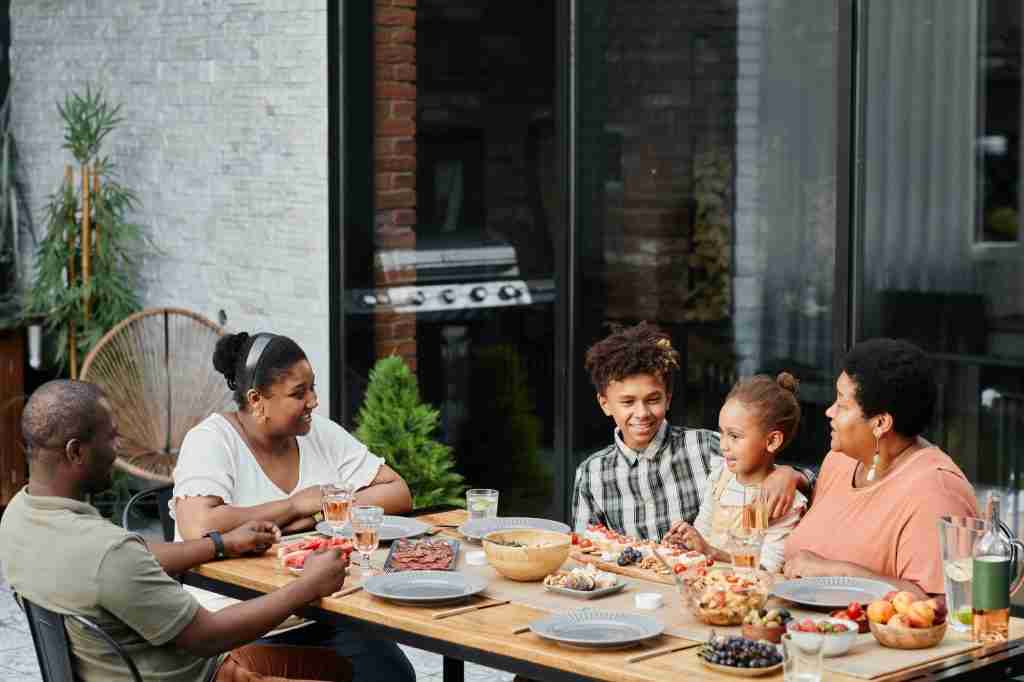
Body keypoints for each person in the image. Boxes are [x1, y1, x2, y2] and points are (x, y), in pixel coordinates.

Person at [0, 380, 354, 682]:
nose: (118, 448)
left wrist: (220, 544)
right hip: (200, 672)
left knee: (342, 666)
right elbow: (208, 636)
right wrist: (308, 585)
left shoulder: (19, 517)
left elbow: (131, 555)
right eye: (111, 438)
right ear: (76, 452)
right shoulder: (108, 556)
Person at [172, 331, 415, 682]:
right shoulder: (211, 441)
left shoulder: (318, 433)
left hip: (324, 610)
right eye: (299, 393)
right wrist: (293, 506)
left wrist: (317, 515)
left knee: (392, 673)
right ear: (257, 400)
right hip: (241, 624)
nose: (314, 401)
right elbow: (199, 525)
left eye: (312, 388)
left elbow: (396, 491)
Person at [571, 322, 815, 541]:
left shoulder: (706, 447)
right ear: (605, 404)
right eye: (627, 402)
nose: (642, 412)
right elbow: (584, 550)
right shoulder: (592, 474)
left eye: (653, 399)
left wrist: (791, 475)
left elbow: (771, 467)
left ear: (668, 398)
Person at [783, 338, 978, 597]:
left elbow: (942, 606)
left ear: (881, 423)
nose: (829, 412)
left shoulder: (936, 493)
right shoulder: (841, 460)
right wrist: (791, 477)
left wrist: (839, 574)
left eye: (842, 404)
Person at [663, 373, 808, 572]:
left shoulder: (779, 502)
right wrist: (686, 542)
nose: (723, 445)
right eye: (722, 433)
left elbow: (767, 568)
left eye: (734, 436)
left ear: (772, 441)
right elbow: (703, 532)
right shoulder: (720, 477)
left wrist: (711, 552)